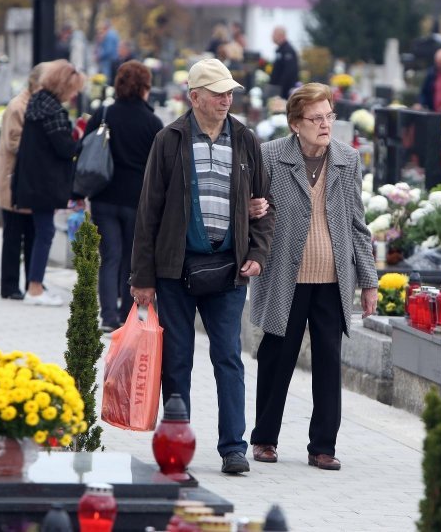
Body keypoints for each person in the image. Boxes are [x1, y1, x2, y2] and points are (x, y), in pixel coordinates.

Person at [129, 58, 275, 474]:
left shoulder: (245, 140)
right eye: (218, 93)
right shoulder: (169, 139)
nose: (227, 99)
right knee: (177, 359)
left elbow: (266, 208)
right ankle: (177, 444)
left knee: (229, 357)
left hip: (229, 271)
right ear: (195, 97)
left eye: (230, 93)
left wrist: (257, 255)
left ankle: (233, 448)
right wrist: (142, 278)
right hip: (175, 271)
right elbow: (148, 213)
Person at [249, 83, 378, 472]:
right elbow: (255, 207)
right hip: (282, 277)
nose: (325, 125)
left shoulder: (347, 159)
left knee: (328, 362)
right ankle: (265, 439)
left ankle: (323, 446)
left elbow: (358, 224)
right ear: (295, 124)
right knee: (277, 359)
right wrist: (252, 208)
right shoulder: (271, 155)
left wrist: (369, 281)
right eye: (316, 119)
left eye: (329, 117)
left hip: (332, 279)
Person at [85, 60, 163, 332]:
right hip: (137, 200)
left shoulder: (104, 113)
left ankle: (107, 317)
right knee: (132, 260)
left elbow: (86, 144)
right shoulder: (153, 122)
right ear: (145, 87)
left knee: (109, 256)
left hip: (103, 194)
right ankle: (125, 315)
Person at [13, 60, 86, 306]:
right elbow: (65, 148)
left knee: (41, 231)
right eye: (73, 89)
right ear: (63, 85)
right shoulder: (53, 112)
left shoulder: (36, 103)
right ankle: (35, 289)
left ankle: (35, 285)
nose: (74, 95)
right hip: (44, 182)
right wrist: (81, 136)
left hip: (32, 179)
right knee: (45, 232)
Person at [0, 62, 47, 300]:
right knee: (13, 234)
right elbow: (14, 142)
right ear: (35, 83)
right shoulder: (18, 106)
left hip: (27, 180)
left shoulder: (32, 104)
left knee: (32, 232)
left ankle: (32, 281)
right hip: (13, 178)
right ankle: (10, 285)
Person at [269, 26, 299, 99]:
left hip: (284, 91)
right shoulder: (280, 50)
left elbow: (289, 72)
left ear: (281, 35)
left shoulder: (288, 51)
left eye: (274, 34)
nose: (272, 36)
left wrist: (280, 89)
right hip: (278, 89)